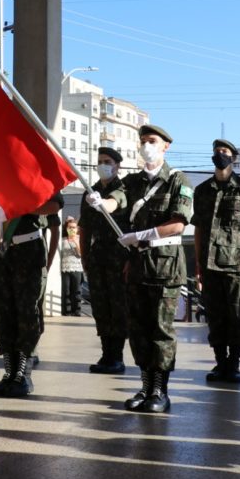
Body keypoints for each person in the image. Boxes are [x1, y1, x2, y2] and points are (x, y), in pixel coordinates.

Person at [116, 125, 193, 413]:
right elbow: (118, 200)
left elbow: (178, 224)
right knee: (138, 329)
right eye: (143, 141)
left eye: (152, 141)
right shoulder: (133, 181)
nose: (146, 145)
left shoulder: (177, 180)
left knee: (160, 330)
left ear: (165, 147)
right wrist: (102, 203)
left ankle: (161, 391)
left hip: (165, 267)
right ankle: (146, 386)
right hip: (137, 265)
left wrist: (141, 236)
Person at [192, 138, 240, 385]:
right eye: (216, 152)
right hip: (209, 264)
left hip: (236, 262)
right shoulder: (201, 190)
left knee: (235, 314)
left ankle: (234, 363)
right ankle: (220, 361)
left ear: (234, 157)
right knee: (214, 315)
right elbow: (199, 229)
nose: (220, 155)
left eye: (224, 151)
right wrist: (198, 263)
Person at [0, 193, 63, 397]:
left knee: (26, 313)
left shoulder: (33, 173)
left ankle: (22, 374)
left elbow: (55, 205)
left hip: (27, 252)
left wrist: (19, 204)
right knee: (2, 314)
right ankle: (10, 372)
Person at [80, 146, 129, 374]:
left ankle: (116, 356)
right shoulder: (90, 192)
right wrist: (85, 258)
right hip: (98, 256)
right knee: (100, 306)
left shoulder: (124, 189)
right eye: (100, 160)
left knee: (117, 307)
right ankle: (105, 354)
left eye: (107, 161)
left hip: (119, 256)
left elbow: (116, 206)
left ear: (117, 166)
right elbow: (85, 230)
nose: (103, 165)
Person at [59, 217, 84, 316]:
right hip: (65, 268)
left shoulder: (80, 239)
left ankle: (77, 311)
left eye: (73, 227)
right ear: (66, 228)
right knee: (66, 291)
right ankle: (67, 311)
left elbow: (81, 254)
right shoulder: (62, 240)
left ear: (77, 229)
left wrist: (75, 242)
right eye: (69, 227)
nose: (71, 229)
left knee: (76, 290)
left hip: (77, 269)